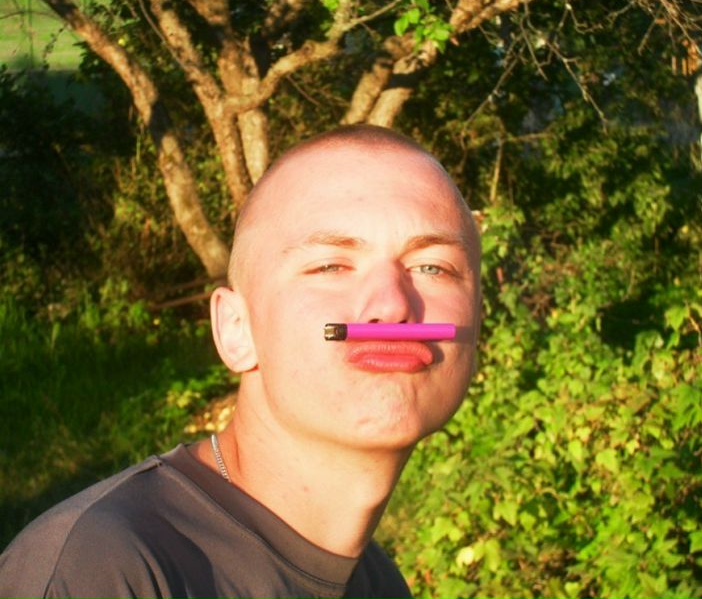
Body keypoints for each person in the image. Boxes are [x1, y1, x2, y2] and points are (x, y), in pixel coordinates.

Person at [0, 124, 481, 598]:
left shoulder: (379, 583)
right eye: (330, 266)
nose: (392, 307)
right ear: (235, 329)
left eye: (432, 267)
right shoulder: (101, 570)